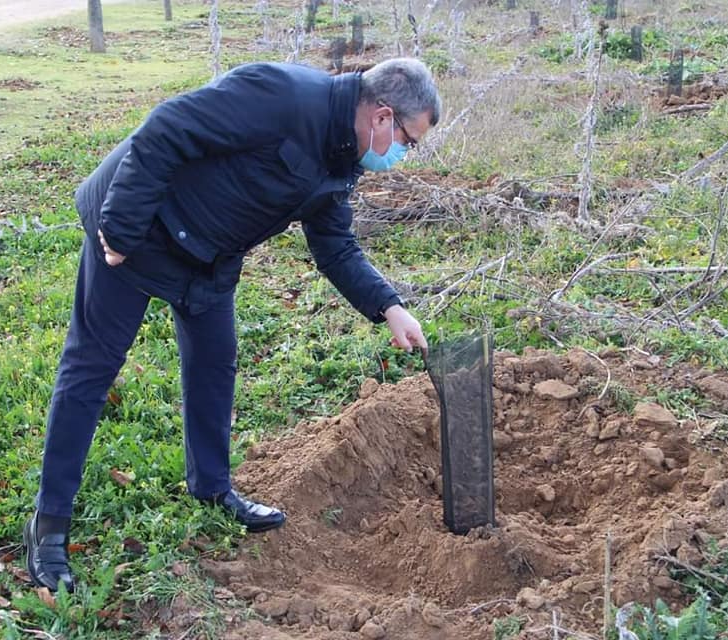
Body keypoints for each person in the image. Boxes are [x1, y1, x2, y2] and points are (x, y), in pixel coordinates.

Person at [23, 58, 441, 592]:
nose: (406, 153)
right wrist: (121, 229)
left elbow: (335, 245)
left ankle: (212, 488)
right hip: (138, 231)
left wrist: (389, 306)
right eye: (410, 139)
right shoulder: (283, 94)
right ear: (383, 116)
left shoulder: (344, 159)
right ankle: (49, 525)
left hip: (209, 255)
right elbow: (169, 126)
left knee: (215, 363)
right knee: (92, 368)